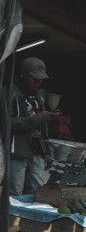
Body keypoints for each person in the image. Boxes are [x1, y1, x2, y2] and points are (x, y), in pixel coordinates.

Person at [10, 57, 59, 195]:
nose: (38, 82)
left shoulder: (38, 95)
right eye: (34, 78)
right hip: (16, 155)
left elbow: (41, 127)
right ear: (22, 74)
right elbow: (8, 122)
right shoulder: (10, 92)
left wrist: (46, 152)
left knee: (37, 193)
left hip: (34, 154)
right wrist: (38, 118)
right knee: (14, 195)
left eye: (41, 79)